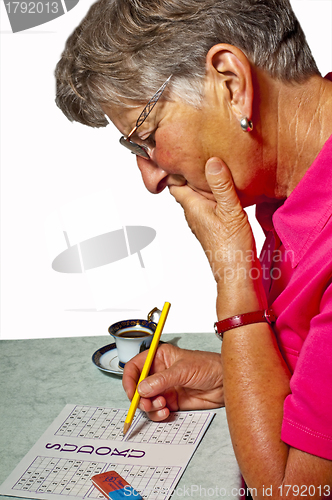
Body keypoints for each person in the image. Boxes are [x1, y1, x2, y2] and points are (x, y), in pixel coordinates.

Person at [55, 0, 332, 496]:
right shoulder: (298, 175)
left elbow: (291, 493)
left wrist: (233, 275)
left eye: (145, 139)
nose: (152, 178)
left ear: (230, 83)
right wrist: (234, 377)